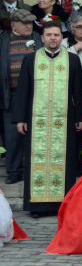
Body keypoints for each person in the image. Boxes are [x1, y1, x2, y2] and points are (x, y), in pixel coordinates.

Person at [0, 10, 42, 185]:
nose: (28, 26)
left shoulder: (38, 38)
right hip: (10, 94)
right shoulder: (3, 40)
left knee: (36, 134)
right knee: (12, 136)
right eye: (24, 23)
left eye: (30, 23)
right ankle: (14, 171)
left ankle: (32, 170)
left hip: (35, 95)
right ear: (13, 25)